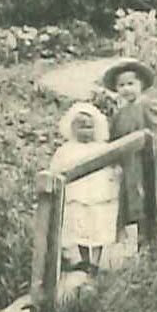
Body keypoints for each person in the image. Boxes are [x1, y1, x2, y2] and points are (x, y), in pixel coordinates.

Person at [102, 57, 157, 243]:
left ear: (141, 84)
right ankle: (143, 245)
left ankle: (154, 246)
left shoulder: (149, 106)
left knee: (151, 206)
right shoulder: (119, 114)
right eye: (121, 85)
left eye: (131, 83)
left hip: (149, 166)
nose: (126, 89)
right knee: (137, 209)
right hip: (131, 169)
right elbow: (114, 141)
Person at [51, 102, 119, 274]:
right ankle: (84, 260)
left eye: (89, 127)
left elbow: (112, 166)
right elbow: (56, 169)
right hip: (78, 194)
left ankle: (95, 262)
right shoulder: (66, 150)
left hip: (98, 194)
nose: (85, 132)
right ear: (72, 128)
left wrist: (114, 176)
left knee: (98, 226)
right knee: (80, 225)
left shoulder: (102, 148)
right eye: (81, 127)